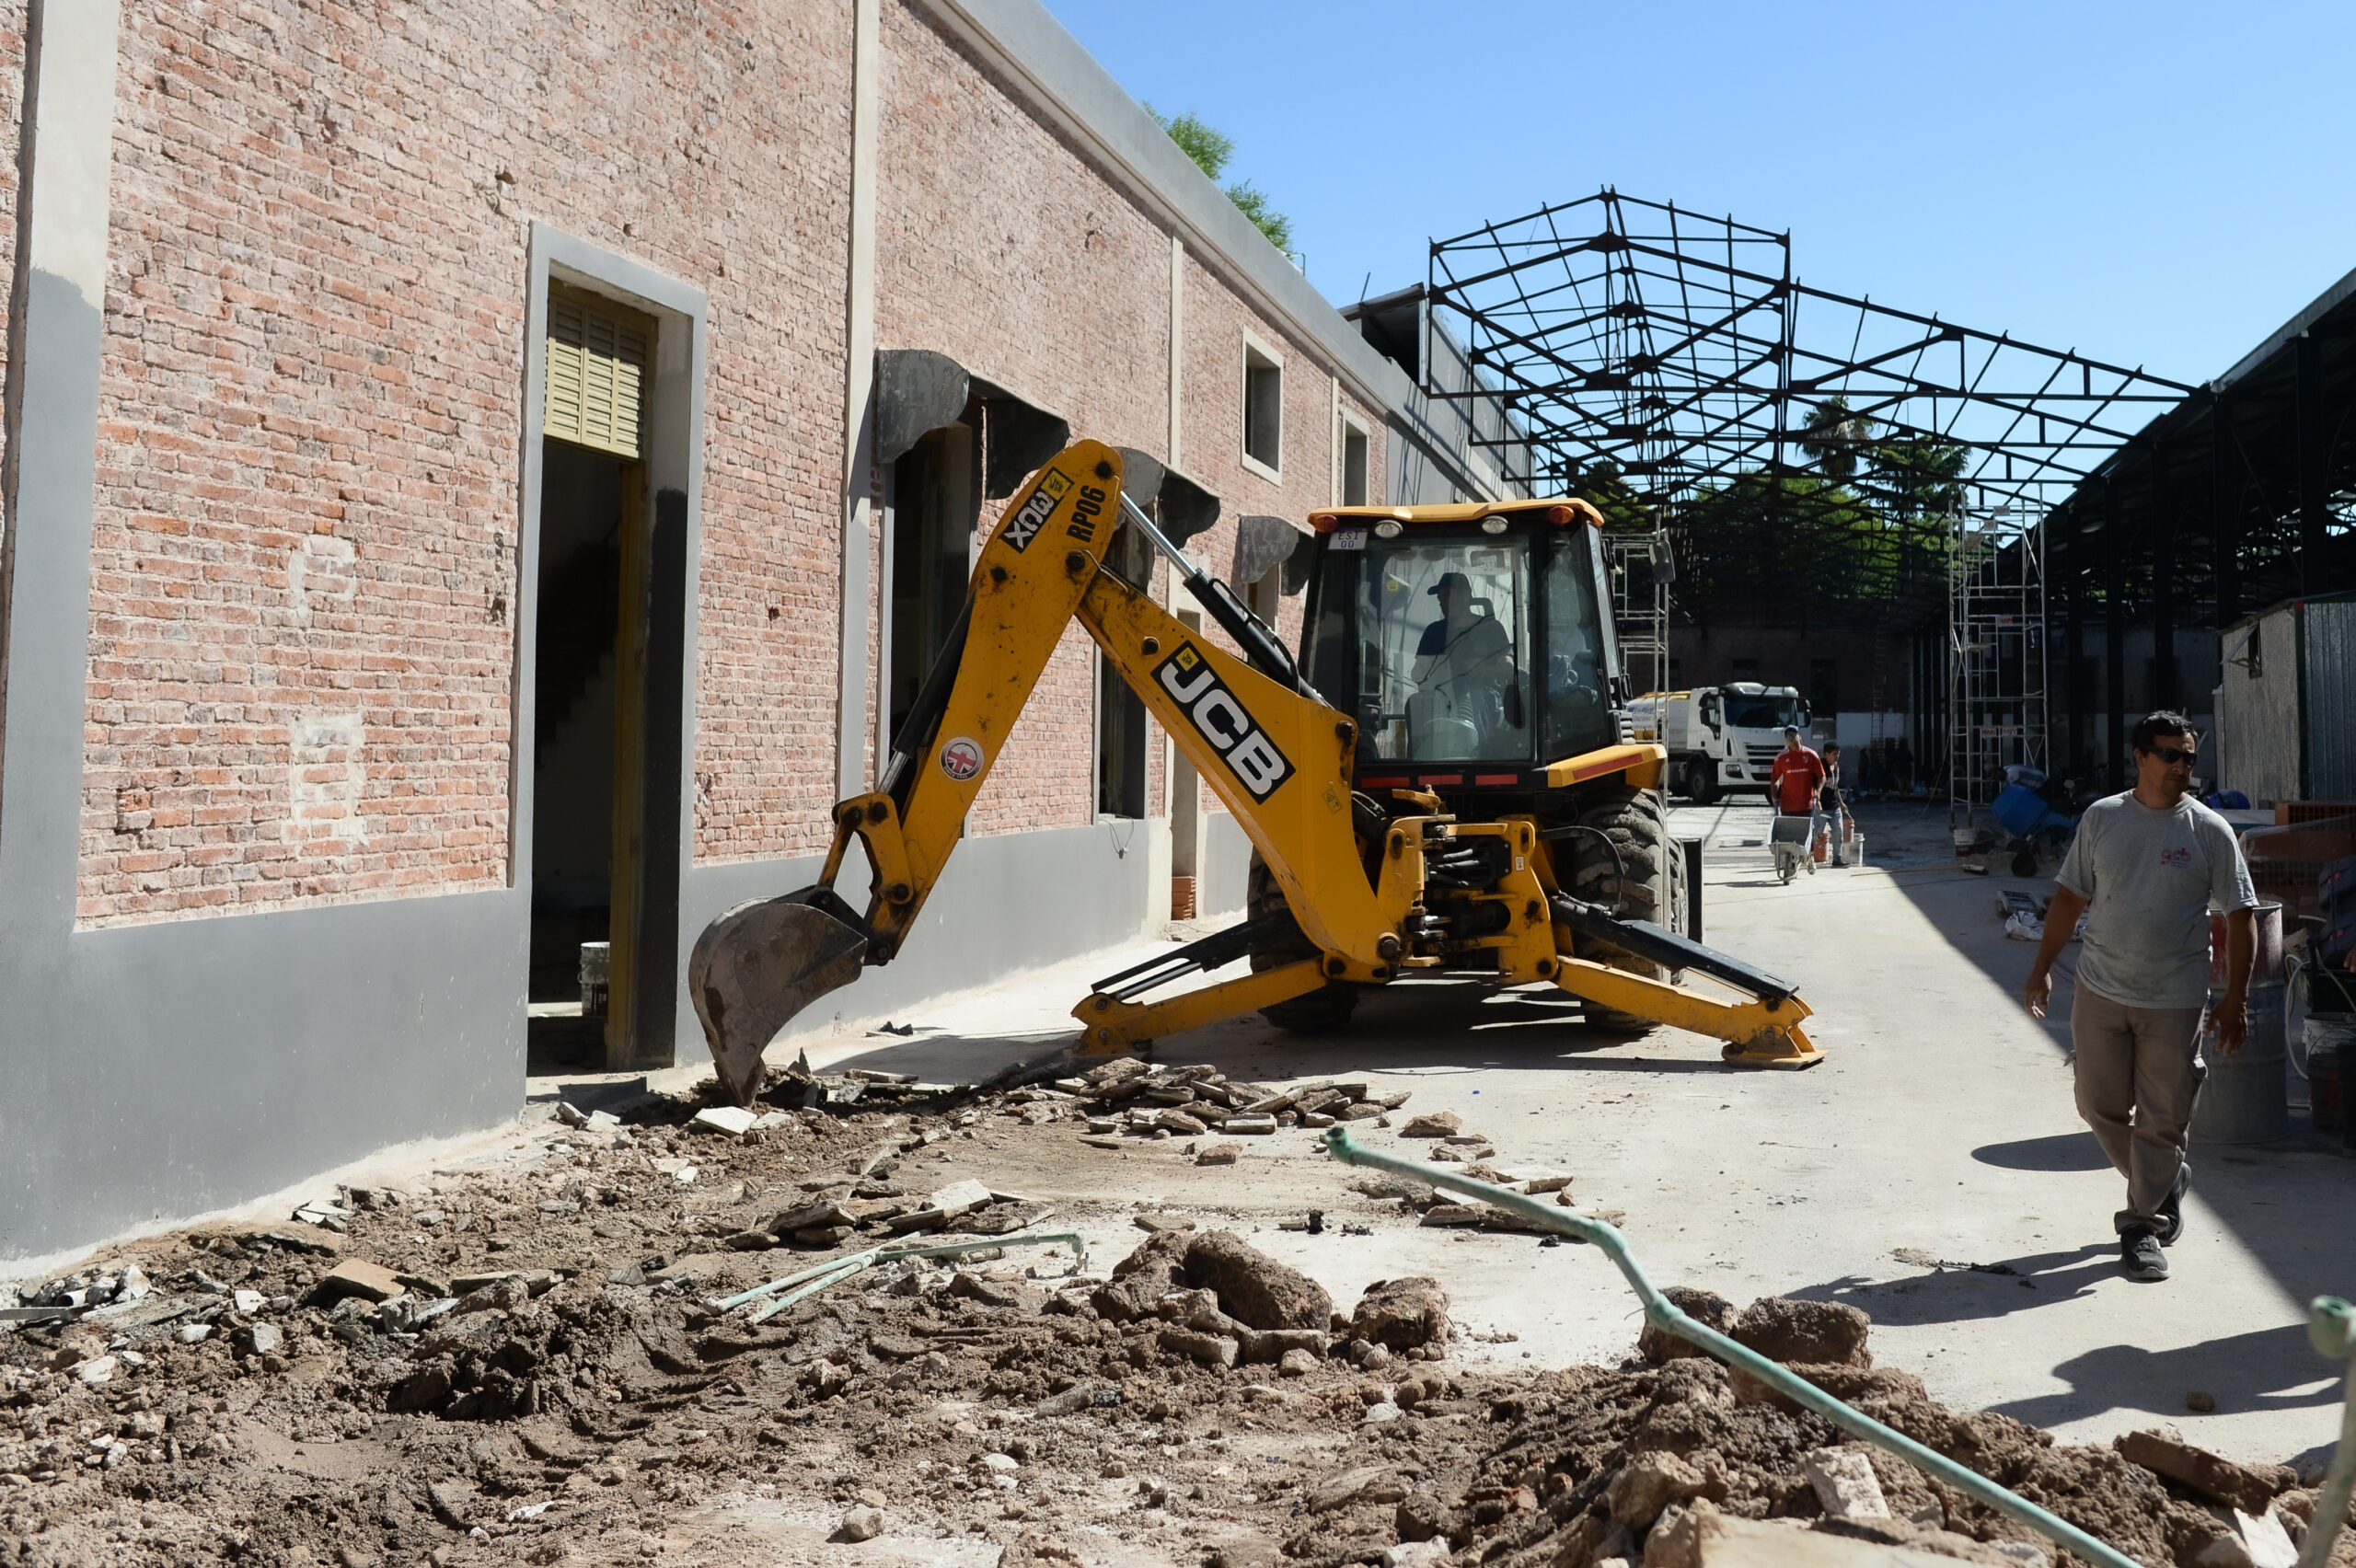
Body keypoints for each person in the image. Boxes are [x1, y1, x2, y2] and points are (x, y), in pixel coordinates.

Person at [2021, 712, 2258, 1284]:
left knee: (2162, 1119)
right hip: (2101, 988)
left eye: (2189, 758)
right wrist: (2041, 969)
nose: (2182, 767)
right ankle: (2166, 1177)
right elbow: (2069, 900)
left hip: (2175, 998)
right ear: (2140, 758)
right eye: (2170, 755)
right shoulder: (2102, 820)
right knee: (2096, 1106)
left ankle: (2140, 1227)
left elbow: (2241, 915)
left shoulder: (2208, 830)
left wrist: (2235, 998)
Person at [1770, 726, 1825, 876]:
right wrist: (1774, 796)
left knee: (1808, 834)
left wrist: (1818, 792)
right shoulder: (1781, 758)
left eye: (1793, 735)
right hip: (1787, 805)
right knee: (1788, 835)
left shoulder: (1810, 755)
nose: (1790, 738)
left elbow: (1822, 776)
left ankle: (1810, 857)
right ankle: (1788, 860)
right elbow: (1774, 778)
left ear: (1799, 736)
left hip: (1806, 804)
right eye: (1787, 735)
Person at [1819, 741, 1851, 866]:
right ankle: (1808, 856)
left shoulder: (1836, 767)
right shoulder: (1820, 767)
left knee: (1838, 833)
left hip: (1834, 807)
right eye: (1834, 754)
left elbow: (1835, 787)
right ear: (1826, 754)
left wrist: (1842, 803)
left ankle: (1837, 858)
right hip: (1821, 808)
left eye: (1838, 754)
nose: (1836, 756)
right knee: (1817, 834)